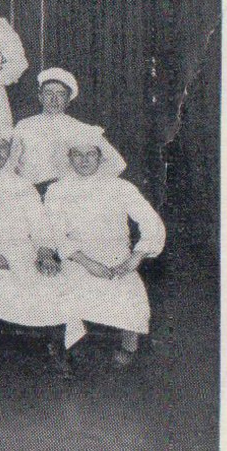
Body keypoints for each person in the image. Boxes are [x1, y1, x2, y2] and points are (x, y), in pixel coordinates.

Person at [0, 127, 75, 375]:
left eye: (2, 147)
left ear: (10, 150)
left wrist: (44, 253)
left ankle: (55, 347)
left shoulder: (22, 184)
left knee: (53, 280)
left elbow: (40, 223)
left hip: (23, 249)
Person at [45, 128, 165, 366]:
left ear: (101, 156)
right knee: (68, 293)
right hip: (77, 258)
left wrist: (135, 257)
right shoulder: (58, 190)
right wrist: (89, 264)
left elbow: (152, 222)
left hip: (118, 257)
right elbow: (56, 233)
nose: (84, 160)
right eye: (77, 154)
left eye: (91, 154)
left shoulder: (121, 187)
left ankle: (128, 347)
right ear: (69, 158)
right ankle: (71, 349)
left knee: (131, 293)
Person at [13, 68, 128, 187]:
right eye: (48, 93)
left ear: (68, 100)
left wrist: (84, 183)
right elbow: (10, 162)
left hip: (63, 195)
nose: (54, 99)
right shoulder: (24, 125)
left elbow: (117, 164)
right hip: (29, 194)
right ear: (40, 97)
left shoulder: (81, 128)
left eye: (61, 94)